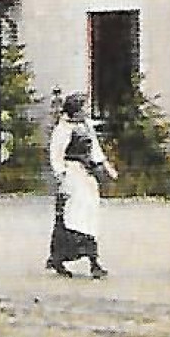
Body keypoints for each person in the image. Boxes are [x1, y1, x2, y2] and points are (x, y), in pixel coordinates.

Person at [46, 94, 117, 279]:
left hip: (86, 174)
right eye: (82, 108)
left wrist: (107, 168)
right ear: (74, 110)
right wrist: (61, 176)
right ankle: (61, 257)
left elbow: (96, 150)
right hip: (72, 173)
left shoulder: (86, 127)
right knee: (72, 215)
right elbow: (56, 155)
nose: (85, 112)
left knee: (90, 213)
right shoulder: (62, 129)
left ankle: (93, 259)